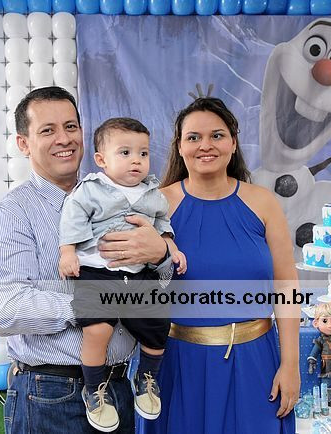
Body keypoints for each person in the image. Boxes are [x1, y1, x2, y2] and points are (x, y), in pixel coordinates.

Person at [0, 86, 171, 434]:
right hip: (50, 394)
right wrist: (96, 304)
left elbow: (160, 286)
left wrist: (162, 255)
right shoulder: (12, 213)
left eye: (71, 127)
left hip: (118, 387)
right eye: (47, 130)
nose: (64, 139)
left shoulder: (130, 201)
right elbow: (3, 308)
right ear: (23, 143)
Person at [138, 97, 300, 434]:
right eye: (193, 137)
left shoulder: (263, 202)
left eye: (217, 135)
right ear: (179, 146)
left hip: (256, 364)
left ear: (233, 142)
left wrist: (291, 364)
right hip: (177, 365)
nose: (205, 145)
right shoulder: (155, 205)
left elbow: (286, 286)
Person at [58, 117, 187, 431]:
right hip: (97, 271)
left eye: (143, 153)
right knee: (98, 330)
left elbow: (162, 224)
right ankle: (93, 390)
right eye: (125, 153)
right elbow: (72, 218)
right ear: (101, 160)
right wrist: (68, 252)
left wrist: (170, 246)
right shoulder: (91, 189)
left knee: (158, 325)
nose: (136, 161)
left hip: (139, 274)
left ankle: (146, 378)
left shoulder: (152, 194)